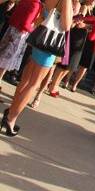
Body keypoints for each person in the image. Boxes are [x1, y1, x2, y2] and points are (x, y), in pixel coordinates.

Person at [1, 0, 73, 136]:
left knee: (25, 81)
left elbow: (42, 15)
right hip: (49, 45)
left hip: (39, 40)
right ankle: (11, 119)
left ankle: (10, 112)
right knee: (33, 84)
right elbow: (66, 25)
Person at [0, 0, 42, 101]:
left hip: (11, 31)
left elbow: (13, 16)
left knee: (2, 61)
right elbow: (26, 23)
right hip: (18, 36)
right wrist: (34, 31)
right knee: (4, 63)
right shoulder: (36, 4)